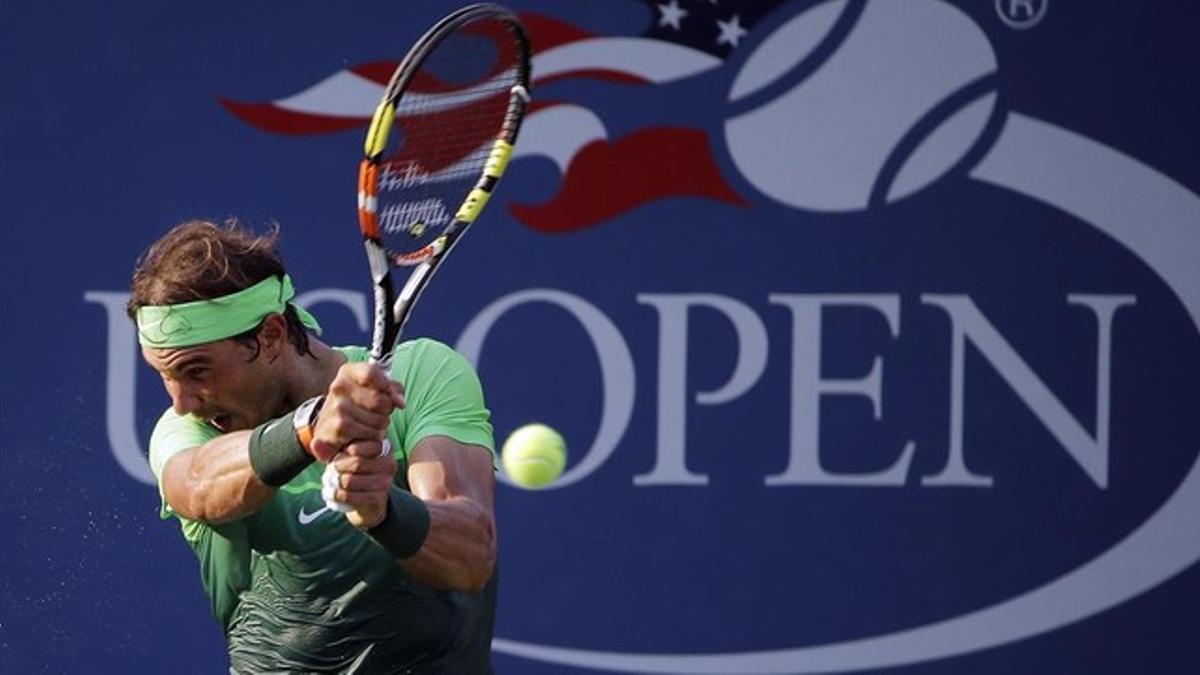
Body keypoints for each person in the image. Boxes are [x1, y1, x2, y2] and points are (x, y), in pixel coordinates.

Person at [128, 219, 498, 673]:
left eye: (196, 372)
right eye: (164, 376)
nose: (181, 403)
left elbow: (471, 557)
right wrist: (310, 427)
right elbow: (199, 486)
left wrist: (384, 513)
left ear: (270, 336)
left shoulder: (423, 373)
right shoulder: (188, 431)